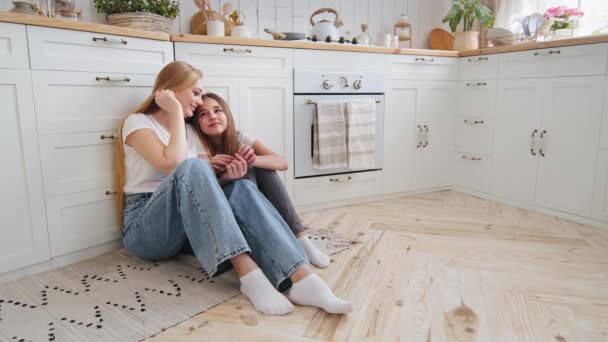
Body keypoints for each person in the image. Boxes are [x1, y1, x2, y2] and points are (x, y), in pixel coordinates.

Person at [114, 61, 352, 315]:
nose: (198, 101)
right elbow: (172, 163)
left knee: (243, 189)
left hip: (185, 229)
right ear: (171, 89)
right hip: (146, 229)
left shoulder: (189, 132)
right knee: (193, 167)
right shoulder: (138, 122)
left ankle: (304, 279)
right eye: (195, 92)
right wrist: (173, 111)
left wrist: (227, 175)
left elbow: (201, 191)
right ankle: (250, 277)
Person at [189, 93, 331, 269]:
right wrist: (225, 177)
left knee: (262, 167)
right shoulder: (197, 145)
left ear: (227, 114)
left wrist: (252, 160)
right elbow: (203, 196)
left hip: (248, 200)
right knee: (243, 176)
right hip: (222, 218)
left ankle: (300, 238)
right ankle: (262, 240)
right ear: (197, 123)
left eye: (217, 110)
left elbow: (282, 163)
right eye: (203, 114)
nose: (212, 116)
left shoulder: (240, 138)